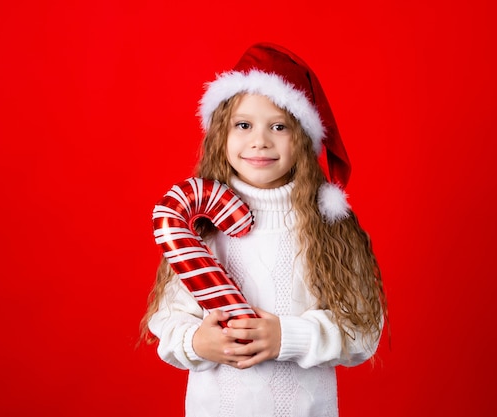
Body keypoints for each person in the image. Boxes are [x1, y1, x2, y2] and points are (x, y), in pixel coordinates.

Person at [140, 42, 388, 417]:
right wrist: (195, 341)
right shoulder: (201, 227)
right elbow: (169, 320)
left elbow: (363, 330)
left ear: (304, 138)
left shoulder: (325, 226)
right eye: (243, 125)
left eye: (278, 126)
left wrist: (287, 337)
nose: (260, 140)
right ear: (221, 132)